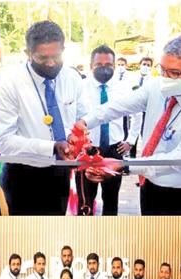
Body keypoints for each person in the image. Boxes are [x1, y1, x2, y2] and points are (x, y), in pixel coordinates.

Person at [73, 35, 181, 215]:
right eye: (163, 69)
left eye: (174, 73)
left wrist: (125, 165)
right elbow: (119, 106)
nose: (166, 77)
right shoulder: (156, 87)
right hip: (148, 184)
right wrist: (86, 121)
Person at [0, 20, 89, 215]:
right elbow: (4, 142)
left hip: (61, 172)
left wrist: (78, 137)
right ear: (28, 53)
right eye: (42, 57)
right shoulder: (8, 84)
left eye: (56, 56)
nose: (51, 63)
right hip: (23, 176)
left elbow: (82, 117)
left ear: (63, 49)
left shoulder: (72, 77)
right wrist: (51, 147)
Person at [76, 45, 134, 215]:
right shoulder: (80, 87)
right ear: (91, 65)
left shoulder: (124, 88)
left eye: (108, 65)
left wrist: (130, 140)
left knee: (111, 199)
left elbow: (137, 115)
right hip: (87, 151)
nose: (104, 68)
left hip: (114, 150)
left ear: (115, 66)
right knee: (85, 201)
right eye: (99, 64)